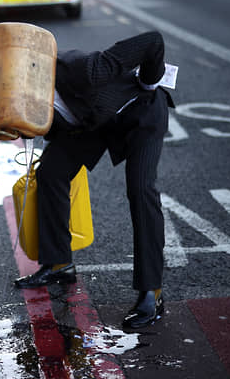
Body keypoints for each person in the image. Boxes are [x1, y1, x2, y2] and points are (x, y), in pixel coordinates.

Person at [13, 31, 174, 329]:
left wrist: (149, 83)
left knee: (140, 190)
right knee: (50, 171)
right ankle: (59, 263)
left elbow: (153, 41)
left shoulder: (84, 70)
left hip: (141, 111)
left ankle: (152, 291)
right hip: (95, 122)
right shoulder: (24, 104)